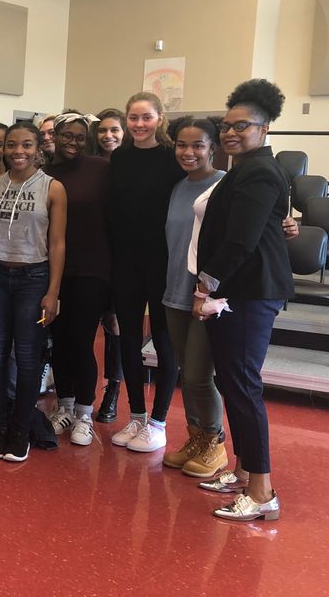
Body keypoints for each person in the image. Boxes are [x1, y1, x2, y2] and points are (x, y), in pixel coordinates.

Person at [195, 79, 294, 522]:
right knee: (234, 384)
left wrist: (205, 286)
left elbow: (240, 241)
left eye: (242, 126)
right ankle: (242, 471)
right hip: (239, 290)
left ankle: (261, 491)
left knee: (243, 386)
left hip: (249, 292)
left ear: (264, 127)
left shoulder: (259, 171)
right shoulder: (246, 168)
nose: (230, 133)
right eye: (226, 125)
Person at [0, 121, 66, 461]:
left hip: (33, 279)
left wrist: (53, 291)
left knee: (26, 358)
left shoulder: (53, 188)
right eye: (11, 145)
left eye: (26, 145)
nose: (17, 151)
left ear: (37, 149)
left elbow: (57, 243)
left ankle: (20, 430)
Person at [109, 93, 185, 453]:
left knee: (164, 342)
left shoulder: (173, 157)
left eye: (146, 117)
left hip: (163, 262)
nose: (139, 124)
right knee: (127, 339)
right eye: (133, 118)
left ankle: (158, 422)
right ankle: (137, 416)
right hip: (126, 261)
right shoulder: (120, 157)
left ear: (160, 118)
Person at [160, 117, 228, 476]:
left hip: (207, 295)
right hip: (175, 291)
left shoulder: (224, 186)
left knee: (201, 374)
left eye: (197, 145)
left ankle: (215, 443)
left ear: (212, 148)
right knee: (187, 373)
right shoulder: (178, 187)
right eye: (182, 145)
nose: (188, 152)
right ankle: (196, 437)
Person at [43, 113, 108, 447]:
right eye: (67, 136)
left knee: (81, 342)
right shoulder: (44, 174)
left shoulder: (100, 168)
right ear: (55, 136)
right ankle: (64, 406)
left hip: (91, 270)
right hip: (54, 271)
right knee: (59, 341)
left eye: (80, 137)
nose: (72, 142)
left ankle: (84, 412)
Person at [89, 107, 126, 422]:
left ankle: (113, 390)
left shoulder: (130, 165)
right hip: (91, 255)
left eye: (114, 130)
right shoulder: (89, 164)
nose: (108, 135)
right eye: (103, 130)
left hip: (122, 257)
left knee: (114, 325)